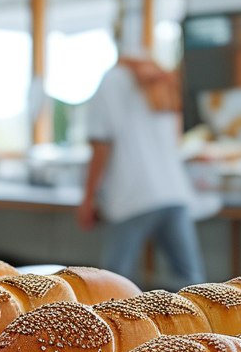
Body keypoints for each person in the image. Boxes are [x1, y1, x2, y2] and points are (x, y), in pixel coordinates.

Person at [76, 56, 205, 288]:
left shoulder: (110, 82)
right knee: (191, 282)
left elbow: (101, 146)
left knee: (112, 286)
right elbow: (173, 142)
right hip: (174, 193)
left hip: (132, 197)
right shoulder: (162, 85)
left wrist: (88, 198)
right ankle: (199, 325)